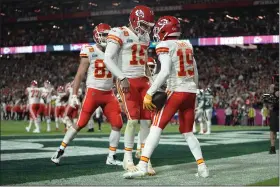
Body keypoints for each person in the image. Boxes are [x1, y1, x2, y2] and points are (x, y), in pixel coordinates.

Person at [123, 16, 209, 179]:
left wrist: (149, 93)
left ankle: (142, 165)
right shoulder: (187, 45)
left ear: (164, 29)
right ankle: (202, 167)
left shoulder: (164, 45)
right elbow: (195, 72)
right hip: (190, 92)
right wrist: (193, 90)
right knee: (188, 132)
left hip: (176, 90)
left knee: (156, 127)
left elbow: (164, 72)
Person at [51, 23, 123, 166]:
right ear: (96, 36)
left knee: (118, 123)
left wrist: (118, 90)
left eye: (108, 35)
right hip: (93, 92)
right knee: (80, 123)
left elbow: (117, 75)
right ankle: (60, 150)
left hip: (109, 94)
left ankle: (111, 157)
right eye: (103, 35)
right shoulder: (89, 50)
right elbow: (79, 75)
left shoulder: (114, 51)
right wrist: (73, 95)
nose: (106, 38)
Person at [104, 5, 155, 174]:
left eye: (149, 25)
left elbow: (145, 61)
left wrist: (152, 81)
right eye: (144, 24)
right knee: (133, 120)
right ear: (134, 20)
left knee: (147, 121)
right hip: (127, 79)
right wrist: (122, 77)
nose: (147, 28)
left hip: (142, 80)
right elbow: (108, 59)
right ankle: (127, 159)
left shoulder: (145, 36)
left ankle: (144, 158)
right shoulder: (119, 32)